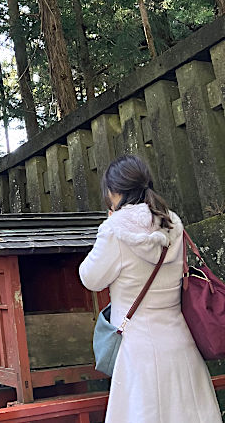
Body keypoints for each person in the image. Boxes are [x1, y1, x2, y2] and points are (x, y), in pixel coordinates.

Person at [79, 154, 221, 423]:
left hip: (138, 348)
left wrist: (107, 224)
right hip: (180, 342)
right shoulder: (172, 222)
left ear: (114, 191)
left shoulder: (114, 230)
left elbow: (90, 278)